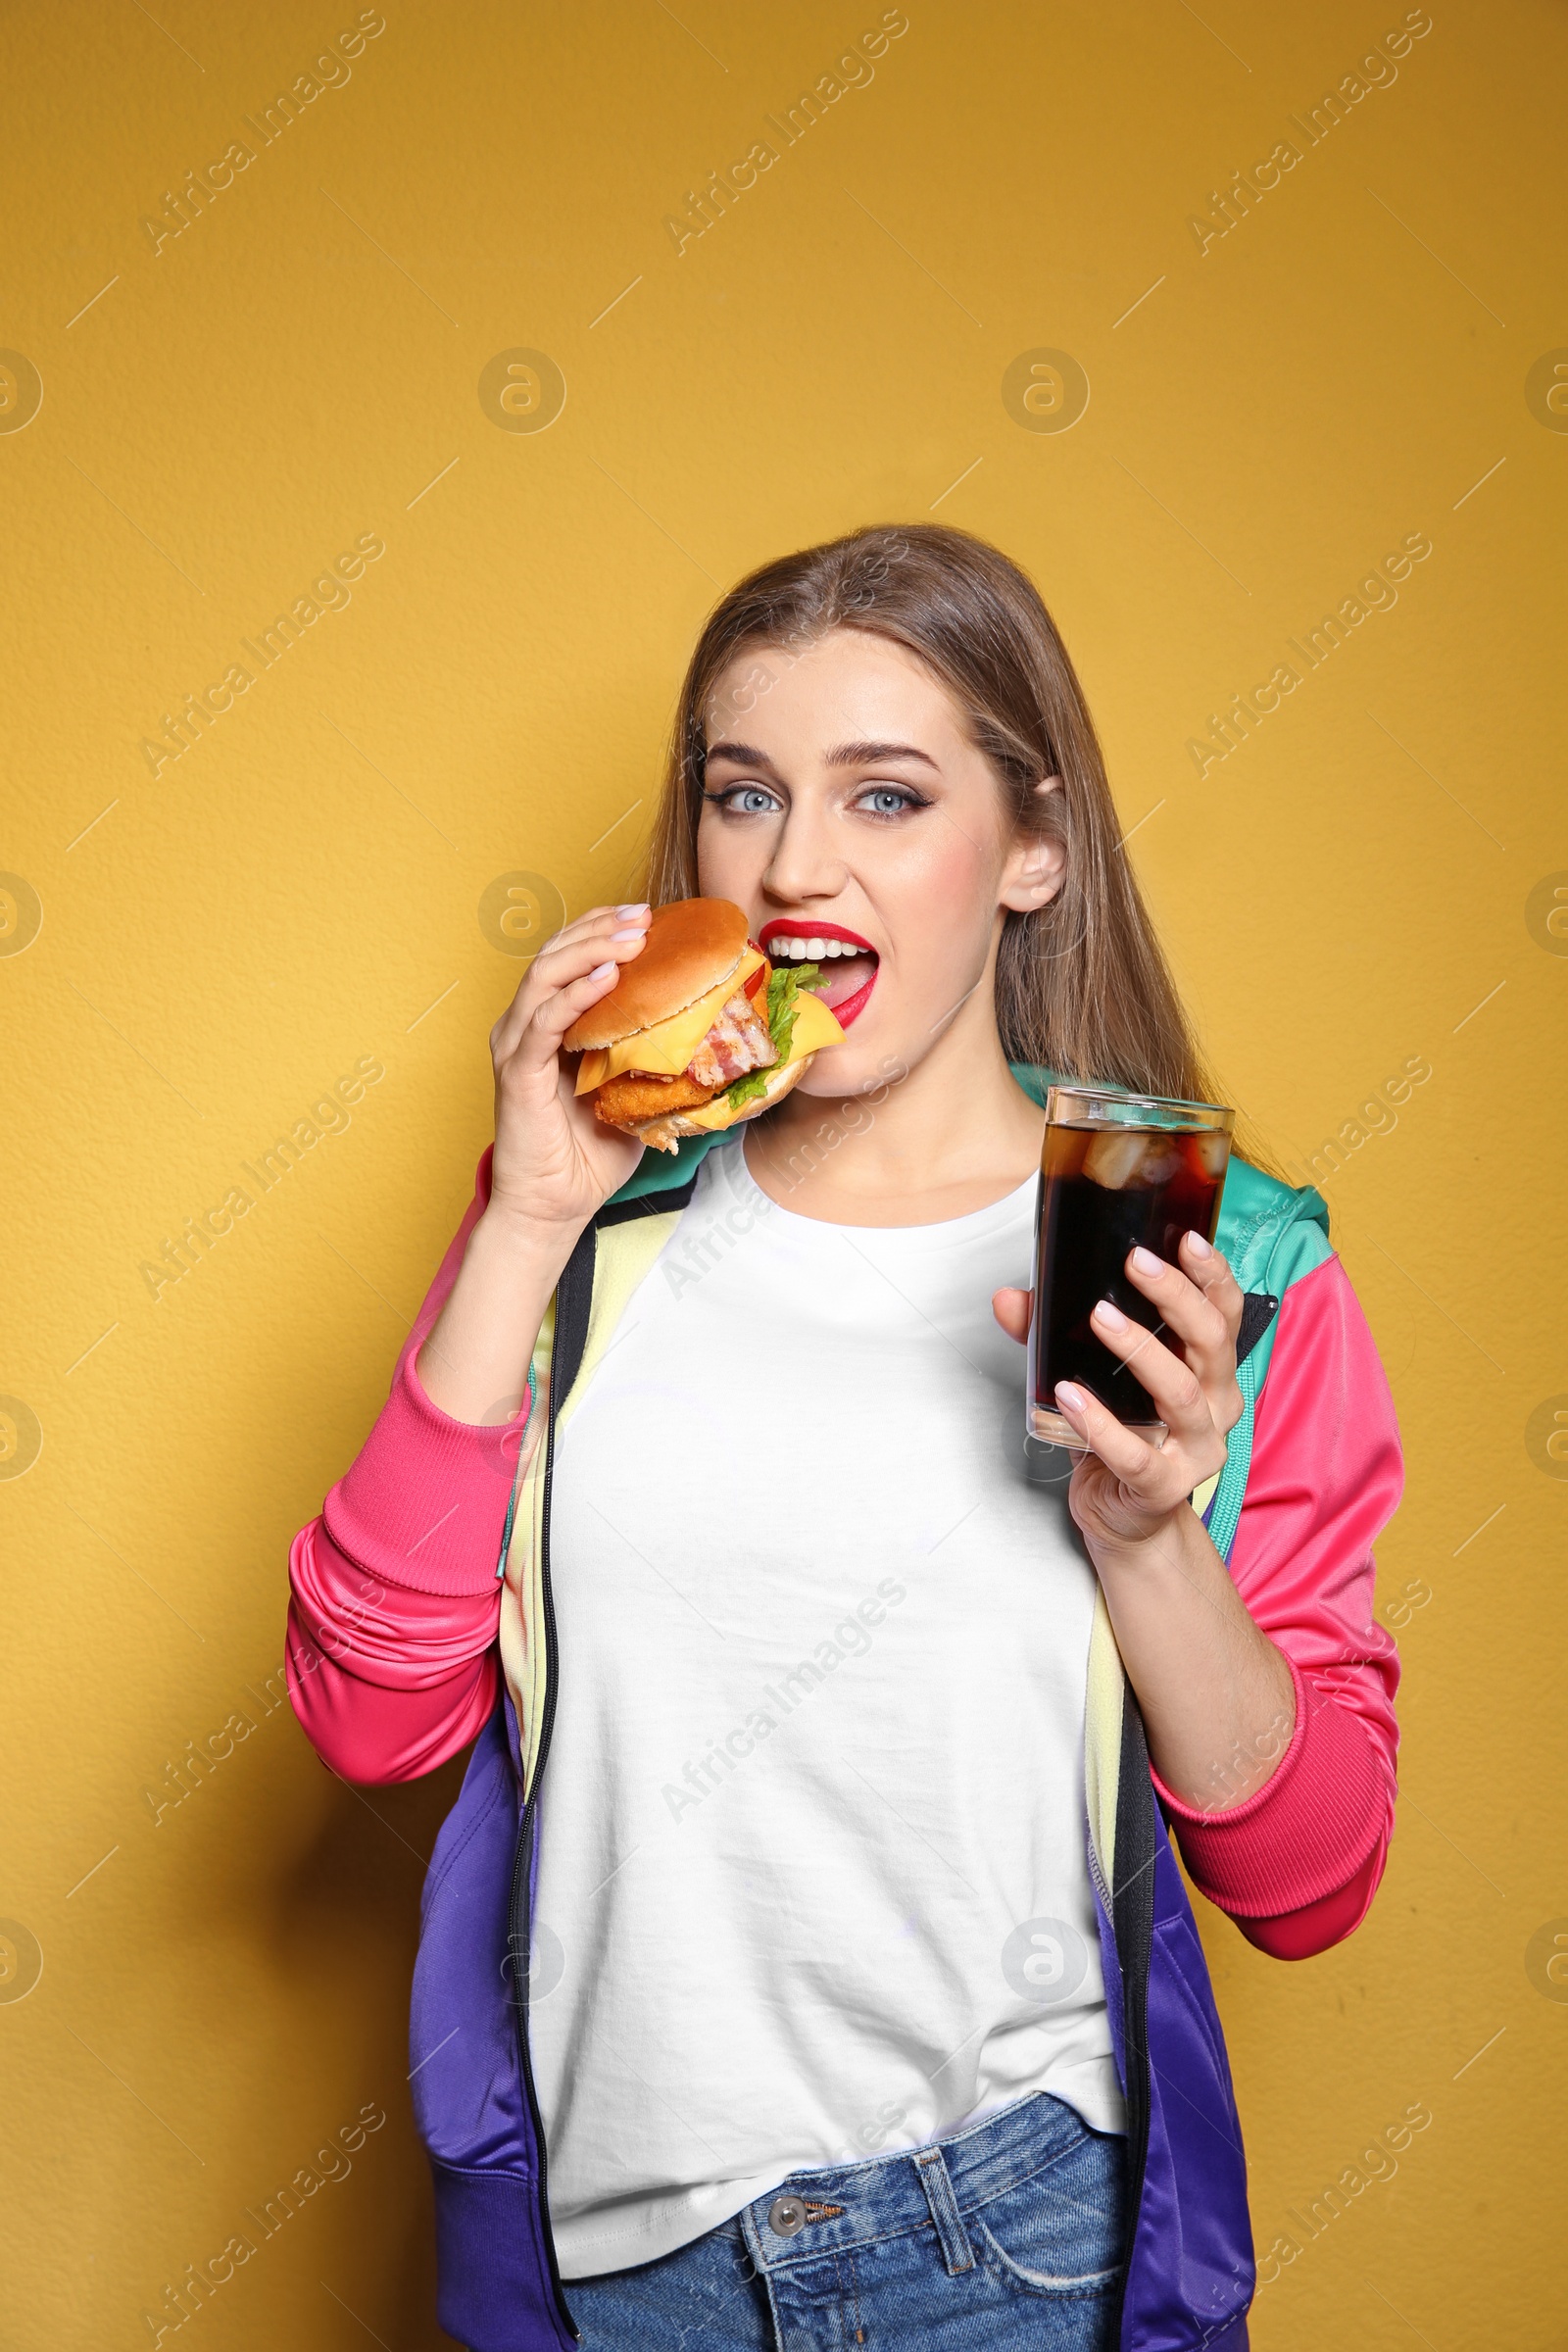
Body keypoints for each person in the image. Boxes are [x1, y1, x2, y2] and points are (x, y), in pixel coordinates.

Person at [287, 525, 1402, 2352]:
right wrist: (523, 1220)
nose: (797, 866)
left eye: (887, 797)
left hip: (1016, 2238)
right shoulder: (598, 1237)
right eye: (745, 795)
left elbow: (1311, 1881)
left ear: (1031, 846)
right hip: (615, 2258)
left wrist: (1145, 1540)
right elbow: (367, 1712)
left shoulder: (1203, 1247)